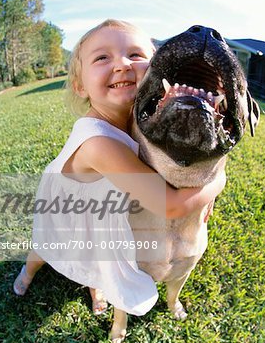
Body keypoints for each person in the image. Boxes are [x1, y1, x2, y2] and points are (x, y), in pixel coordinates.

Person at [13, 19, 225, 317]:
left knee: (94, 254)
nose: (122, 64)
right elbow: (172, 205)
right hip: (68, 206)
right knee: (48, 247)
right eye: (102, 57)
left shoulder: (138, 120)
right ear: (80, 85)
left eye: (136, 55)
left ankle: (94, 284)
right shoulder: (100, 144)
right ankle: (28, 272)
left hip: (101, 204)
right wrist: (216, 183)